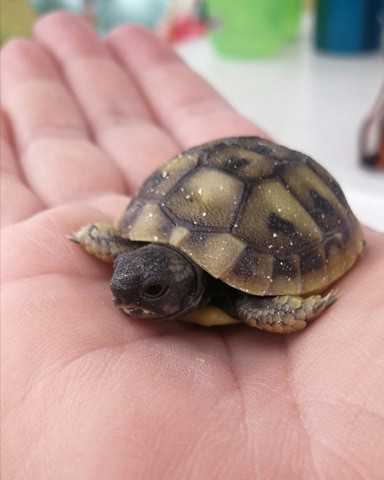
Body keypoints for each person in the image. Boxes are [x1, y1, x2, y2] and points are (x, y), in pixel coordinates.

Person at [2, 11, 383, 480]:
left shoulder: (239, 296)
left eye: (154, 291)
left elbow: (252, 300)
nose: (125, 297)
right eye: (130, 282)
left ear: (184, 287)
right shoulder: (138, 258)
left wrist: (279, 312)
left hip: (290, 189)